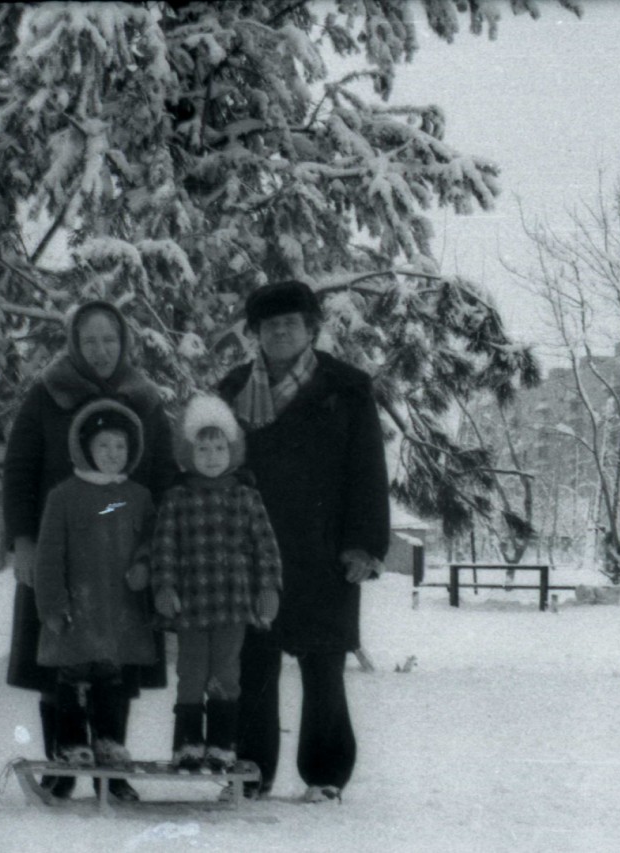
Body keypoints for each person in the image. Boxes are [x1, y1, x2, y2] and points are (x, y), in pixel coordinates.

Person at [217, 280, 390, 803]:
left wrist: (365, 545)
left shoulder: (348, 387)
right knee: (254, 667)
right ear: (256, 334)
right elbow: (216, 469)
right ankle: (251, 772)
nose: (280, 332)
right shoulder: (232, 391)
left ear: (311, 328)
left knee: (324, 668)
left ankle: (326, 776)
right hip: (254, 554)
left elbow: (368, 472)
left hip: (326, 551)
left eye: (291, 323)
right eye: (269, 326)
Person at [3, 300, 177, 801]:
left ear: (125, 344)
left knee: (115, 665)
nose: (100, 351)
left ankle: (111, 766)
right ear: (75, 345)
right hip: (57, 557)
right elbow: (19, 471)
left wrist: (158, 550)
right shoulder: (46, 395)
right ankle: (63, 763)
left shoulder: (145, 400)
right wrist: (23, 542)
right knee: (55, 661)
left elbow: (164, 477)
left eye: (110, 340)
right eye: (90, 340)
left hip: (123, 561)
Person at [149, 394, 283, 772]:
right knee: (191, 673)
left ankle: (222, 744)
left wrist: (269, 588)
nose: (211, 455)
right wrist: (165, 587)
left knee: (226, 673)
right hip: (190, 607)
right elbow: (164, 549)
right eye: (202, 448)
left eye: (219, 447)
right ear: (189, 451)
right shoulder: (177, 498)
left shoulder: (246, 497)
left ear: (233, 450)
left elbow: (266, 548)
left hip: (232, 606)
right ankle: (188, 746)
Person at [33, 399, 157, 769]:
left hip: (119, 612)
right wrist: (52, 606)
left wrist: (144, 565)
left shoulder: (139, 497)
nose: (112, 454)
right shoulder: (64, 496)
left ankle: (110, 745)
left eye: (120, 445)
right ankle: (71, 745)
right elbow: (48, 556)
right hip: (77, 610)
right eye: (103, 445)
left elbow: (153, 542)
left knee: (113, 680)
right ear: (86, 447)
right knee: (71, 678)